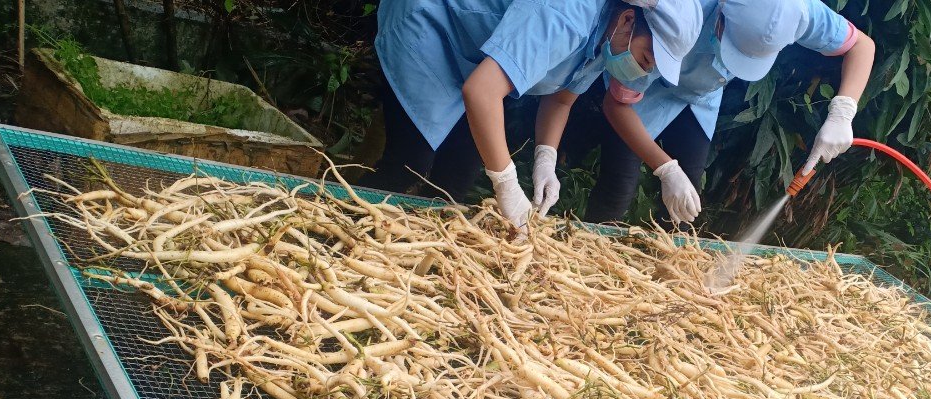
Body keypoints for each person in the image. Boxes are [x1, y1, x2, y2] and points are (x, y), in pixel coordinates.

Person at [361, 0, 703, 228]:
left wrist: (545, 159)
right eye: (645, 59)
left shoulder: (608, 35)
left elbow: (561, 99)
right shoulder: (566, 16)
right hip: (432, 23)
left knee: (457, 176)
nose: (641, 74)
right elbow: (481, 92)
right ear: (629, 20)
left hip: (473, 59)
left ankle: (415, 259)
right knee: (409, 165)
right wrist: (507, 184)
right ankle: (335, 235)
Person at [577, 0, 876, 226]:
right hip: (648, 88)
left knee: (687, 202)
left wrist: (843, 111)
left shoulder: (795, 10)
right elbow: (617, 105)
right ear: (721, 17)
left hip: (701, 96)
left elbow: (862, 46)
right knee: (618, 187)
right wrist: (664, 168)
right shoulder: (682, 13)